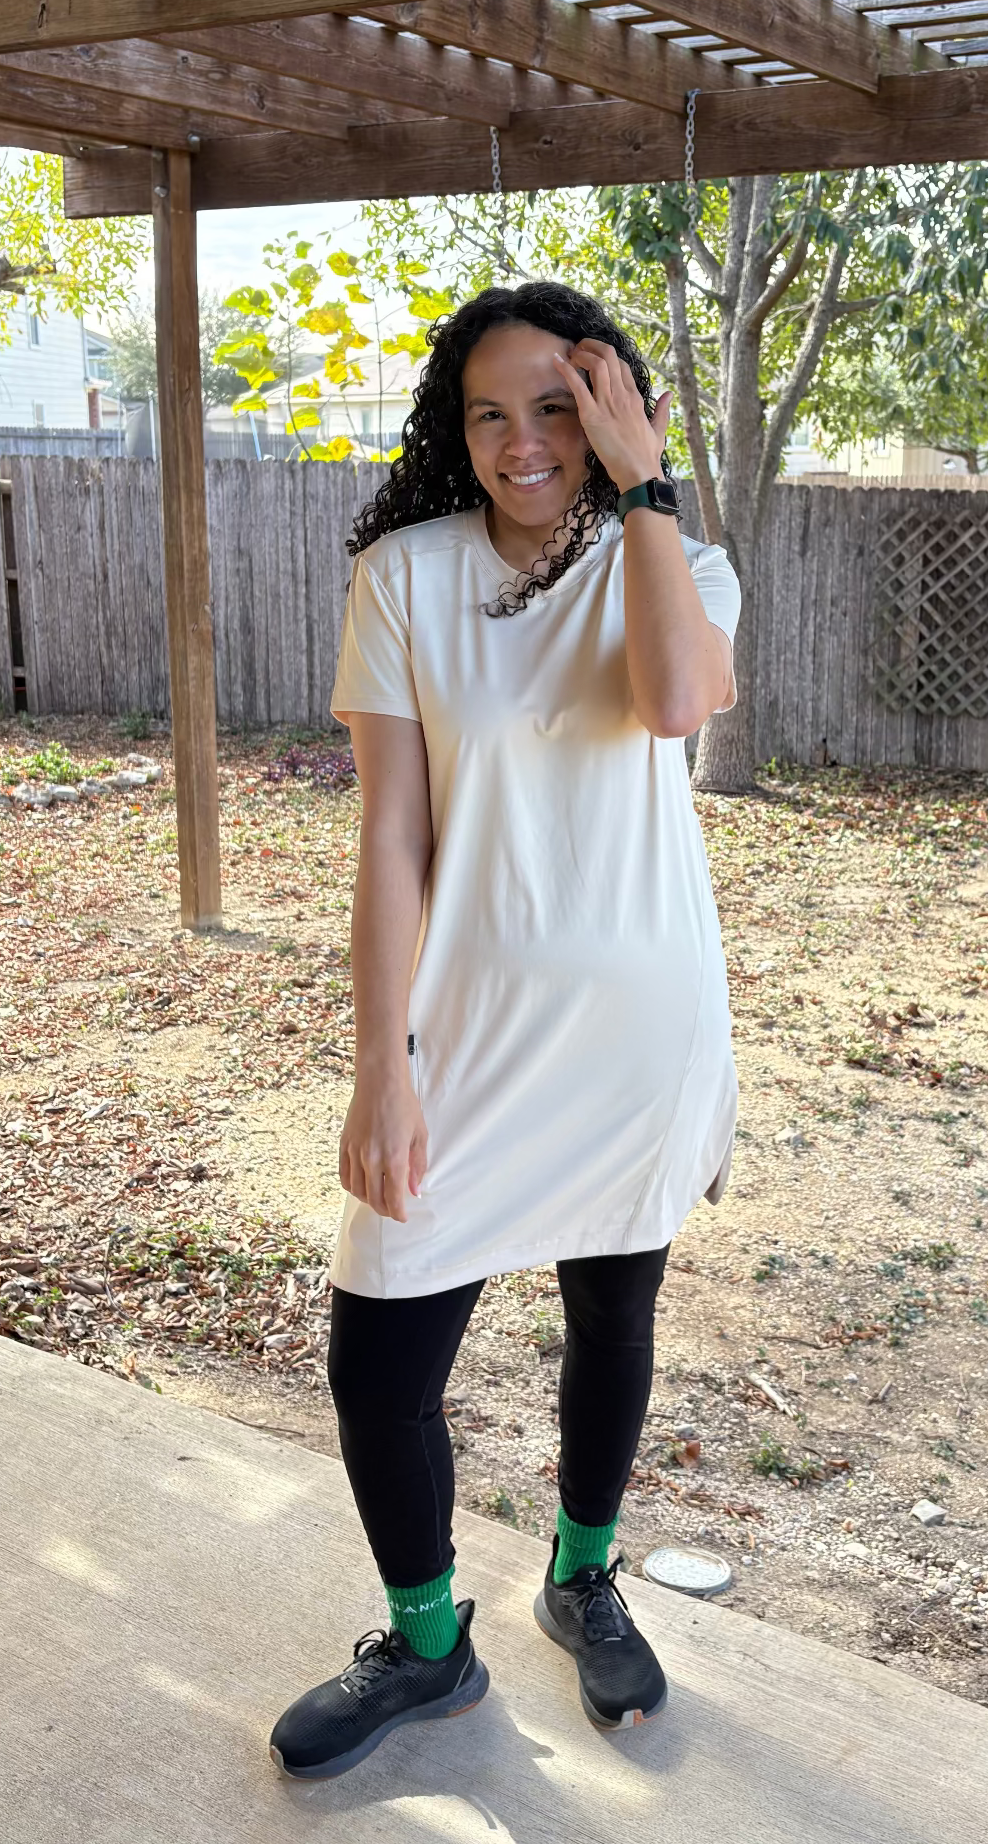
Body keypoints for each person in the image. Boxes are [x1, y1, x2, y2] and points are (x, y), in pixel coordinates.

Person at [269, 280, 741, 1780]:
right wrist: (379, 1064)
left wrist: (646, 480)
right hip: (466, 1043)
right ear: (450, 427)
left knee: (613, 1319)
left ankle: (579, 1574)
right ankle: (425, 1647)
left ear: (614, 413)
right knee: (376, 1363)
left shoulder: (679, 564)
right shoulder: (403, 577)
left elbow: (676, 704)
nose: (523, 442)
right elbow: (393, 841)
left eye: (559, 405)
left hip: (639, 1034)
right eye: (490, 410)